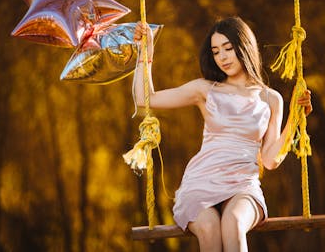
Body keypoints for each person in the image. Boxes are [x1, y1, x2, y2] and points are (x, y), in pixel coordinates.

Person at [133, 17, 312, 252]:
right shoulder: (205, 90)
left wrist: (295, 118)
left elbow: (270, 160)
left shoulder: (270, 99)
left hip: (243, 185)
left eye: (228, 48)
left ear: (245, 46)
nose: (223, 57)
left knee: (234, 223)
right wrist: (145, 52)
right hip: (201, 182)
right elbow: (145, 99)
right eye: (216, 52)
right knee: (209, 229)